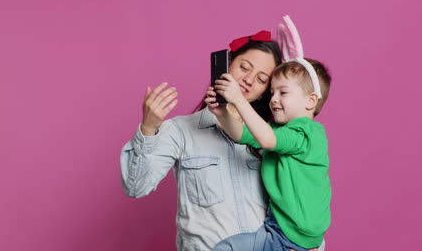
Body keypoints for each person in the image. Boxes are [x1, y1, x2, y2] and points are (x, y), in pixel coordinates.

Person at [120, 30, 324, 251]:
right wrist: (148, 128)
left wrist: (312, 247)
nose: (248, 80)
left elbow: (304, 198)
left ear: (267, 91)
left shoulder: (272, 138)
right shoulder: (181, 131)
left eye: (262, 79)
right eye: (244, 67)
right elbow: (135, 186)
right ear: (227, 64)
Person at [207, 16, 331, 251]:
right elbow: (240, 134)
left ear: (310, 101)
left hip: (290, 236)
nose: (273, 99)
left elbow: (266, 139)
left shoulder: (307, 133)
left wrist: (237, 99)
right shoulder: (278, 130)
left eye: (283, 93)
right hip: (280, 228)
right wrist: (223, 113)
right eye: (272, 92)